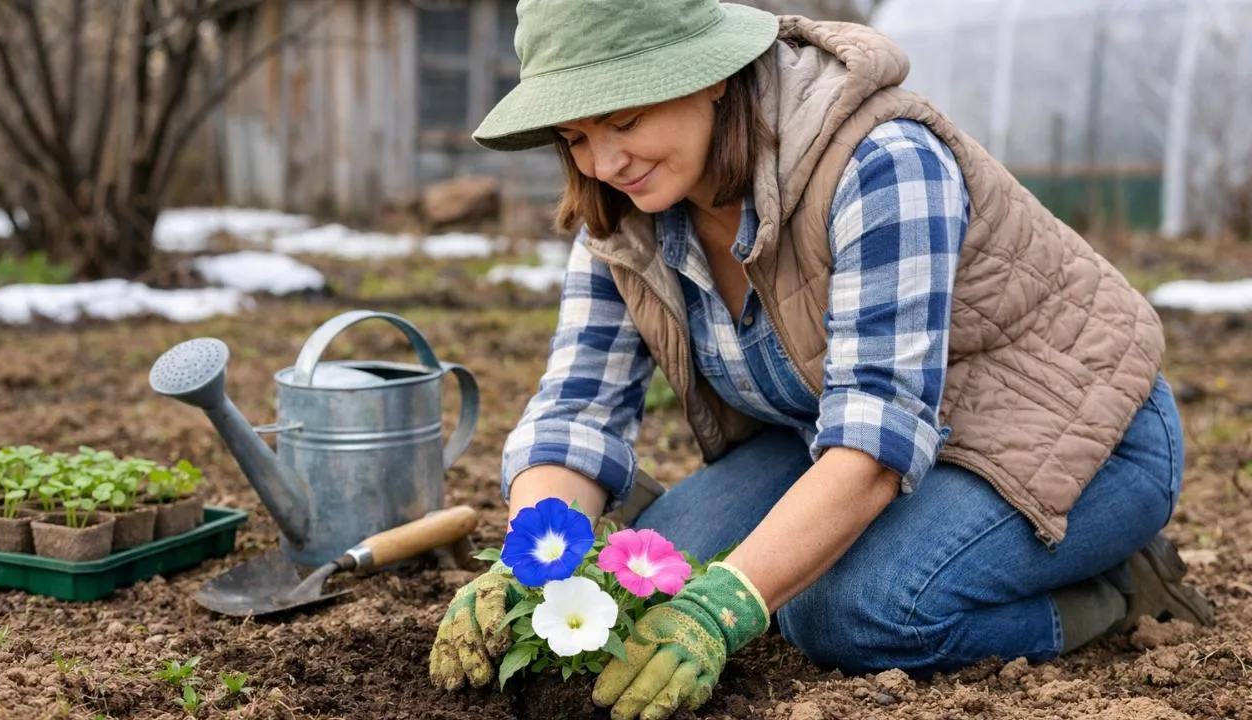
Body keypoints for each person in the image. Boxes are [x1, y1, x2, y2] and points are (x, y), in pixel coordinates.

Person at [428, 1, 1216, 718]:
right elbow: (578, 408)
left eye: (623, 119)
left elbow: (875, 438)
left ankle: (1110, 595)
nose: (604, 163)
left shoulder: (880, 161)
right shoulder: (629, 213)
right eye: (575, 137)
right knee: (659, 564)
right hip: (842, 430)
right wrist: (528, 559)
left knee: (850, 612)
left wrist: (725, 607)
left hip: (1073, 436)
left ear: (709, 78)